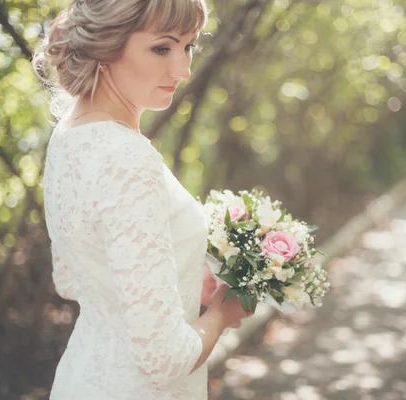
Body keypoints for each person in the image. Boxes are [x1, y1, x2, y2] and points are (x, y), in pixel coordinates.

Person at [33, 0, 251, 398]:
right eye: (162, 48)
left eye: (189, 46)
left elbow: (70, 278)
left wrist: (182, 276)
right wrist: (220, 315)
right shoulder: (127, 158)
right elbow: (164, 362)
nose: (183, 69)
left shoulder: (69, 137)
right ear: (106, 45)